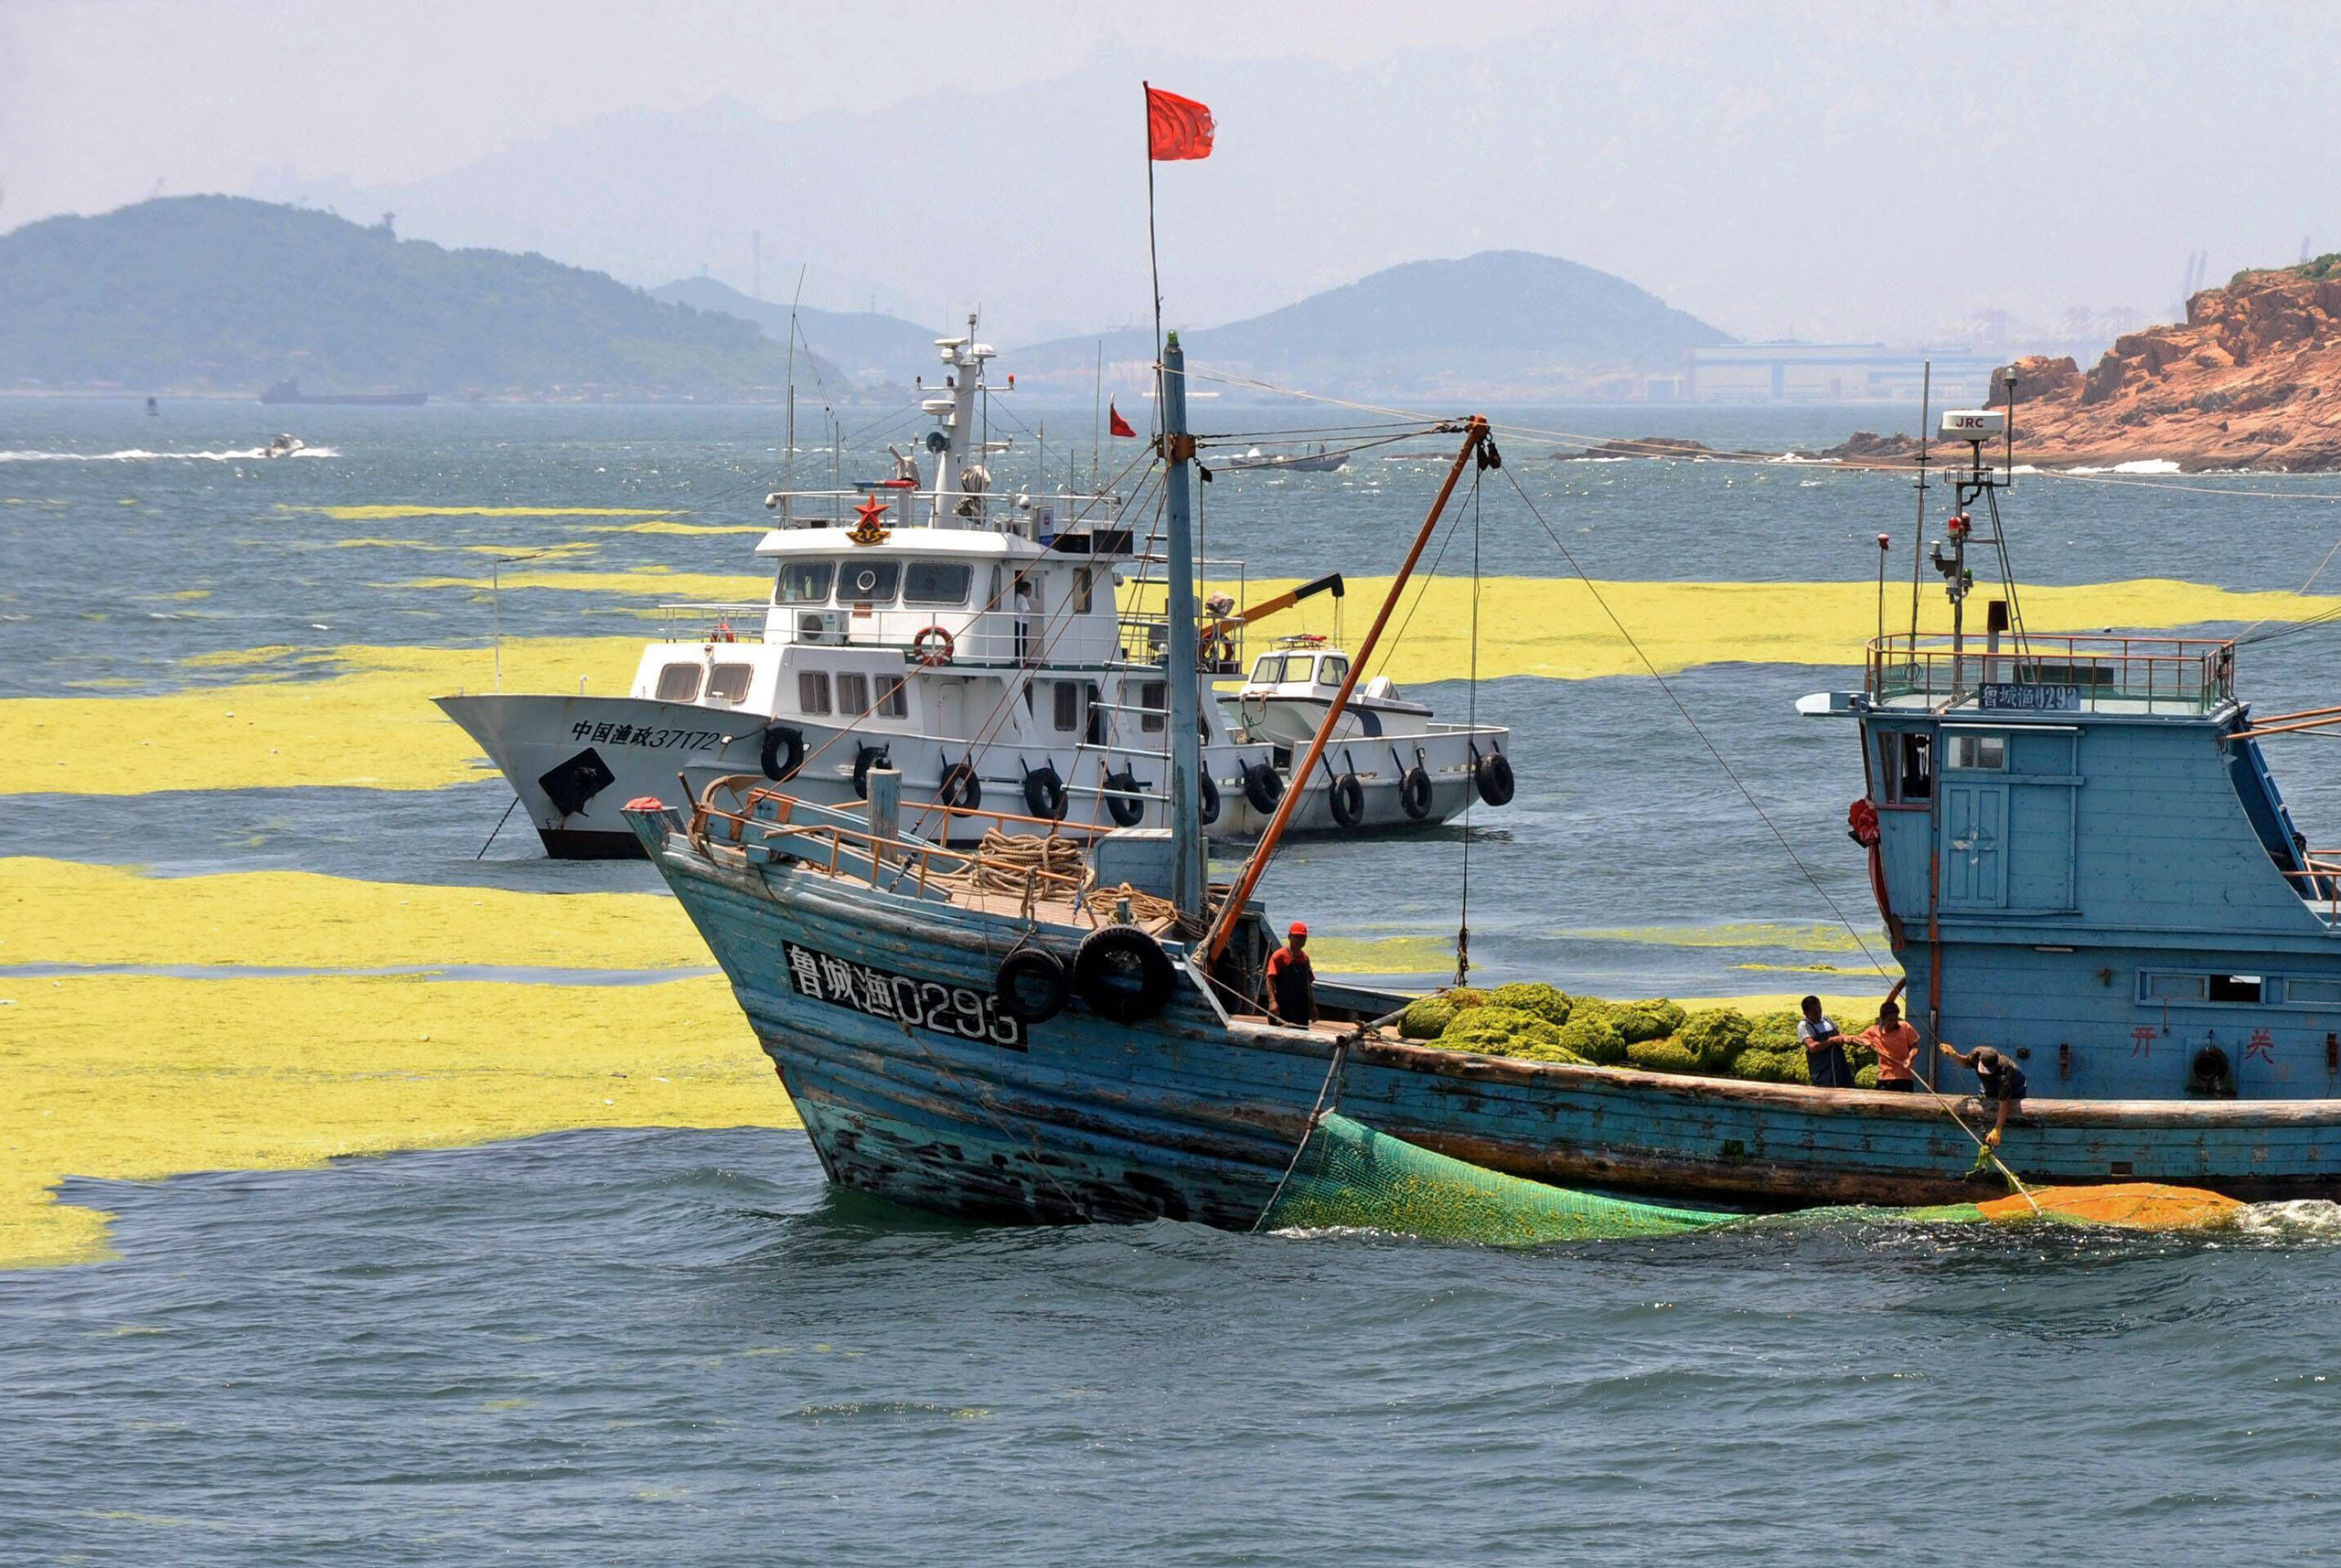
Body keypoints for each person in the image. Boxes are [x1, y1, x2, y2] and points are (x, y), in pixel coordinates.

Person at [1940, 1042, 2028, 1146]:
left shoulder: (2004, 1076)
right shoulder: (1978, 1053)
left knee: (2013, 1110)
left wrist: (1998, 1128)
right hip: (1988, 1085)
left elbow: (2004, 1104)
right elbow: (1967, 1063)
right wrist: (1954, 1054)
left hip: (2015, 1086)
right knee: (1986, 1104)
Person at [1855, 1000, 1922, 1092]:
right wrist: (1865, 1042)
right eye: (1890, 1020)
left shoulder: (1905, 1027)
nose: (1894, 1023)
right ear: (1882, 1019)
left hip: (1904, 1076)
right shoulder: (1874, 1031)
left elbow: (1915, 1048)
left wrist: (1910, 1059)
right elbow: (1858, 1038)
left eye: (1896, 1019)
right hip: (1885, 1077)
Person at [1265, 922, 1318, 1027]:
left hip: (1301, 1009)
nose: (1299, 940)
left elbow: (1308, 984)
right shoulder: (1279, 956)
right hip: (1283, 1007)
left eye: (1302, 937)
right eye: (1296, 937)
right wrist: (1272, 1002)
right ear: (1289, 937)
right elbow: (1269, 979)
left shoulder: (1305, 958)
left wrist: (1313, 1006)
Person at [1797, 995, 1855, 1089]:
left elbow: (1839, 1034)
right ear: (1806, 1013)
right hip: (1822, 1072)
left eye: (1819, 1010)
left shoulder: (1826, 1019)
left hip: (1840, 1067)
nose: (1818, 1014)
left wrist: (1848, 1039)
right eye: (1815, 1013)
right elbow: (1812, 1047)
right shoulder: (1804, 1026)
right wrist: (1831, 1040)